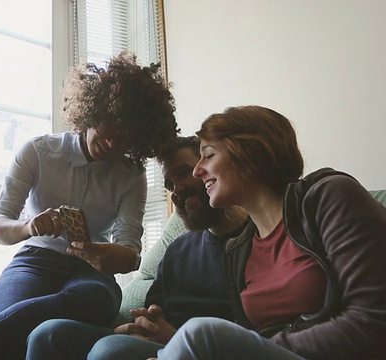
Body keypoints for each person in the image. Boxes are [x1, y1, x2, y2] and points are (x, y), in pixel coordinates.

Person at [0, 51, 179, 360]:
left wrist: (104, 255)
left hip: (91, 274)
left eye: (127, 138)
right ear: (93, 109)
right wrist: (28, 226)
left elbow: (130, 252)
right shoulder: (39, 151)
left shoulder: (131, 175)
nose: (114, 143)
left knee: (92, 297)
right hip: (33, 261)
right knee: (13, 320)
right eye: (111, 127)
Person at [154, 105, 386, 360]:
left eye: (208, 156)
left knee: (199, 334)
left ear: (251, 153)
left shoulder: (329, 197)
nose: (198, 171)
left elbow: (372, 321)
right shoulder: (240, 249)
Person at [25, 136, 249, 360]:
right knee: (48, 334)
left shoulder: (254, 242)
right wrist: (146, 323)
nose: (177, 190)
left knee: (112, 350)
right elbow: (155, 308)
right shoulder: (178, 249)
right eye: (169, 185)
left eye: (183, 173)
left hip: (202, 349)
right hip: (156, 344)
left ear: (208, 170)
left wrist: (175, 338)